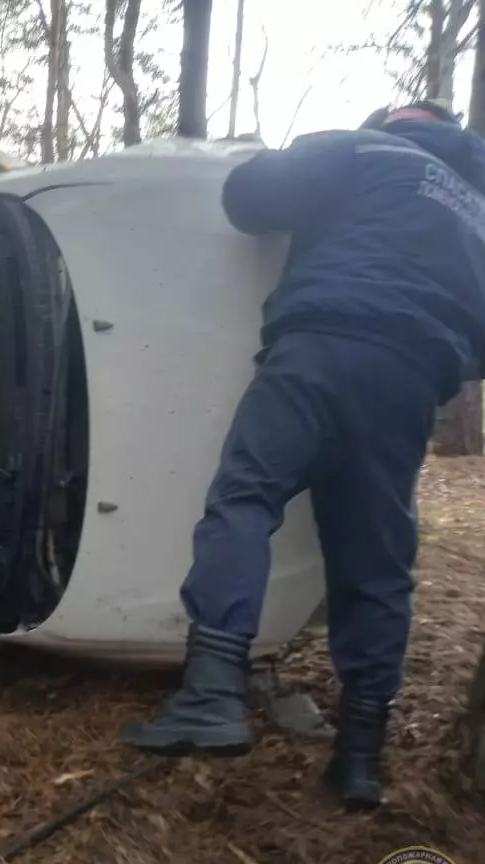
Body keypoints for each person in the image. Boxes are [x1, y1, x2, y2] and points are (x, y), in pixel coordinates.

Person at [121, 100, 485, 811]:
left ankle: (212, 694)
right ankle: (359, 759)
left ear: (393, 118)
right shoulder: (477, 212)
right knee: (376, 563)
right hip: (408, 383)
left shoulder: (362, 149)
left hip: (318, 348)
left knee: (245, 499)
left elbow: (247, 198)